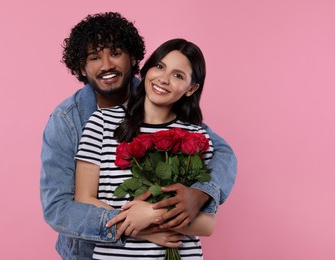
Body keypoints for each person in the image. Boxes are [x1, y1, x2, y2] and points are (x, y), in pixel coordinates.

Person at [40, 12, 237, 259]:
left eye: (115, 53)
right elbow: (59, 208)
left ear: (134, 58)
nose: (106, 65)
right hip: (90, 251)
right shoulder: (69, 120)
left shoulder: (161, 97)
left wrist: (201, 193)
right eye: (94, 58)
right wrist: (140, 226)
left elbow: (222, 152)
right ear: (82, 67)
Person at [75, 38, 217, 259]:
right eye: (159, 67)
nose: (164, 79)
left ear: (191, 89)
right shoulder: (101, 123)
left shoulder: (197, 137)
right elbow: (84, 201)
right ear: (146, 69)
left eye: (178, 75)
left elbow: (207, 224)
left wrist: (151, 213)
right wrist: (145, 231)